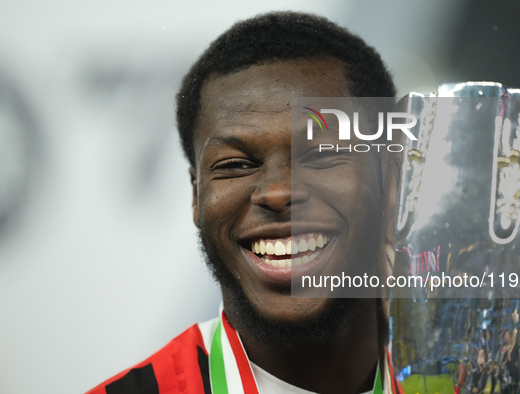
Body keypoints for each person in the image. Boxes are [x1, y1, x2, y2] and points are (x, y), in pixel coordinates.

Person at [86, 11, 403, 394]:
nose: (277, 192)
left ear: (392, 179)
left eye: (320, 155)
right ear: (196, 195)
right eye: (235, 165)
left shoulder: (477, 375)